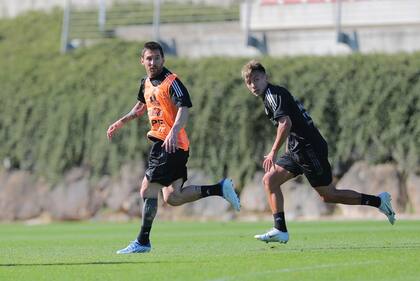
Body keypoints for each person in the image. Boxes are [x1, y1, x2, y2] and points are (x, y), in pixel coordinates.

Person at [241, 60, 396, 244]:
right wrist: (286, 149)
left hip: (309, 149)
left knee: (329, 195)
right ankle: (280, 229)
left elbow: (286, 123)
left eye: (257, 79)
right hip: (296, 150)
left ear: (265, 77)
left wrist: (273, 151)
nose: (253, 85)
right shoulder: (271, 95)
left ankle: (379, 201)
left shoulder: (273, 95)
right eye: (249, 82)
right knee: (270, 180)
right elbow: (292, 124)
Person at [107, 41, 240, 254]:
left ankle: (142, 242)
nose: (153, 62)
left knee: (147, 189)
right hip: (173, 146)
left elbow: (184, 108)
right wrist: (122, 121)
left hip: (169, 144)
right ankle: (219, 188)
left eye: (157, 58)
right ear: (142, 61)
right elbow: (142, 106)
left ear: (163, 59)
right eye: (149, 58)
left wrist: (173, 131)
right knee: (172, 197)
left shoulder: (172, 81)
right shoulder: (146, 83)